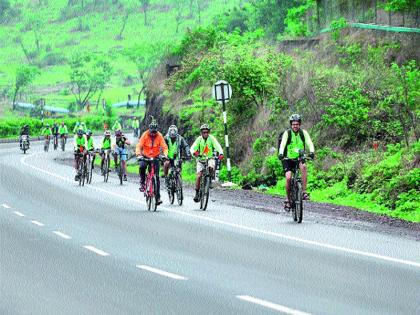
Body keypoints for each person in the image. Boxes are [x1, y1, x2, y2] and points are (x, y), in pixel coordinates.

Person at [278, 114, 315, 211]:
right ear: (291, 124)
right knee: (289, 177)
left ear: (300, 124)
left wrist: (312, 152)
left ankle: (304, 191)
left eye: (297, 124)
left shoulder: (304, 133)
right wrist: (281, 154)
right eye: (293, 124)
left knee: (304, 167)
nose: (295, 126)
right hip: (287, 159)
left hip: (299, 158)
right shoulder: (287, 133)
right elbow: (282, 145)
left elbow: (309, 142)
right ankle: (289, 199)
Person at [136, 121, 168, 205]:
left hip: (155, 157)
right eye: (152, 132)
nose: (153, 134)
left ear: (157, 131)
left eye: (155, 132)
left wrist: (165, 155)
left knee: (156, 177)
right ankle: (142, 182)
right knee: (142, 167)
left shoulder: (159, 136)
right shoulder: (145, 135)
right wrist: (139, 155)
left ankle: (157, 198)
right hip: (145, 156)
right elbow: (139, 146)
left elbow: (164, 147)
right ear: (149, 130)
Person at [190, 124, 224, 202]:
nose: (205, 134)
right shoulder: (199, 139)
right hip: (200, 159)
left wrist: (221, 153)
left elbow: (217, 146)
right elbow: (192, 148)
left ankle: (210, 180)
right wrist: (194, 153)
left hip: (210, 158)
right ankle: (197, 193)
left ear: (209, 132)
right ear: (201, 133)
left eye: (207, 132)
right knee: (198, 176)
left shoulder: (211, 138)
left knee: (211, 167)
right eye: (203, 132)